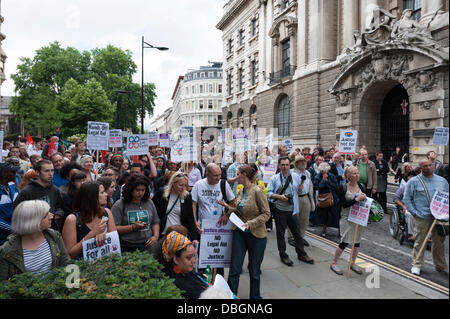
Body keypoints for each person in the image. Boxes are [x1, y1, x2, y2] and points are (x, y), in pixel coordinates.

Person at [217, 165, 270, 299]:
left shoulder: (258, 191)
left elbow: (266, 214)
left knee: (254, 271)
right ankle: (230, 297)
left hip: (257, 236)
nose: (236, 177)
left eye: (238, 174)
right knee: (234, 269)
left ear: (244, 175)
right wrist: (227, 207)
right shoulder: (241, 191)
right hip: (239, 233)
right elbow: (240, 211)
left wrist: (251, 224)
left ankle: (255, 297)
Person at [0, 200, 71, 281]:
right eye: (46, 214)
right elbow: (3, 286)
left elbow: (67, 263)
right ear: (32, 220)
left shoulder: (54, 236)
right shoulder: (7, 251)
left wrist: (73, 287)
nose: (51, 216)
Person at [403, 159, 449, 276]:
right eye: (425, 166)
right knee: (420, 241)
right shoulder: (413, 182)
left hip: (439, 218)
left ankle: (440, 265)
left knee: (439, 242)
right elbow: (407, 199)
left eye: (430, 165)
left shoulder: (442, 181)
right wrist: (414, 213)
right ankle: (417, 264)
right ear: (421, 168)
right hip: (422, 216)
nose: (428, 167)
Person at [267, 156, 314, 266]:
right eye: (282, 165)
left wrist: (300, 189)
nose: (285, 167)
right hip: (280, 210)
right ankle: (283, 255)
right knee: (281, 234)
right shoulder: (274, 178)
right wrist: (279, 196)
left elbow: (297, 191)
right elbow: (268, 193)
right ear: (279, 166)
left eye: (287, 165)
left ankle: (301, 254)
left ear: (289, 166)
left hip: (293, 210)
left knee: (297, 234)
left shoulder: (296, 177)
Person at [191, 163, 236, 277]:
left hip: (220, 228)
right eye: (215, 175)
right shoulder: (199, 185)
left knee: (218, 258)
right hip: (204, 228)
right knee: (204, 258)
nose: (218, 178)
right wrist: (195, 221)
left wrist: (226, 215)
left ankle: (217, 282)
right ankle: (204, 282)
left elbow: (233, 202)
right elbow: (193, 204)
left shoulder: (223, 184)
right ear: (207, 174)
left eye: (220, 174)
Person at [62, 181, 116, 259]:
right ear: (92, 197)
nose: (106, 194)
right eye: (102, 192)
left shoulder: (107, 212)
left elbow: (114, 242)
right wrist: (92, 234)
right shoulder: (72, 219)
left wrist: (105, 234)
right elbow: (70, 254)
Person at [330, 166, 367, 276]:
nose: (357, 175)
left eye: (357, 172)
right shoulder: (342, 188)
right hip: (347, 216)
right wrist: (356, 199)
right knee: (345, 241)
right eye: (354, 173)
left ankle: (352, 263)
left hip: (359, 217)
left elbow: (365, 203)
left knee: (357, 242)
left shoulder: (362, 186)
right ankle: (334, 263)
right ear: (348, 176)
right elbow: (342, 205)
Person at [14, 160, 68, 232]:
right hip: (32, 232)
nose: (50, 174)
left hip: (51, 231)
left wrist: (57, 214)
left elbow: (59, 207)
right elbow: (18, 214)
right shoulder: (26, 192)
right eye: (46, 171)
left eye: (52, 170)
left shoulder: (55, 190)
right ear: (37, 173)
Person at [111, 175, 160, 253]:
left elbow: (155, 222)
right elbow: (113, 228)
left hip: (147, 245)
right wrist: (133, 227)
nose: (140, 193)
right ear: (130, 189)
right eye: (137, 190)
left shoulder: (149, 202)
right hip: (127, 246)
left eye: (143, 190)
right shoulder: (120, 204)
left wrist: (155, 236)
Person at [152, 171, 198, 241]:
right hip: (163, 234)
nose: (183, 188)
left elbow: (190, 218)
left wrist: (194, 238)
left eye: (185, 185)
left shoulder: (187, 196)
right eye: (181, 185)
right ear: (173, 183)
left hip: (180, 235)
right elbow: (153, 214)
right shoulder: (162, 193)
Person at [161, 231, 209, 299]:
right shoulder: (174, 284)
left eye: (194, 256)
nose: (194, 261)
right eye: (189, 257)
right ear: (176, 259)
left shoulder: (187, 271)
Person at [288, 155, 315, 247]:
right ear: (296, 163)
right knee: (294, 219)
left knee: (304, 219)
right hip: (296, 197)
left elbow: (310, 185)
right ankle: (291, 237)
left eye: (304, 161)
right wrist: (296, 189)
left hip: (306, 197)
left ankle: (301, 237)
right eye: (301, 161)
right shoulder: (291, 172)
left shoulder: (307, 173)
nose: (304, 163)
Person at [313, 162, 340, 237]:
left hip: (332, 197)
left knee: (334, 214)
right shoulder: (317, 176)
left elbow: (335, 187)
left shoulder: (331, 176)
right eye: (322, 171)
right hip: (323, 198)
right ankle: (324, 230)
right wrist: (323, 180)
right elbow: (318, 187)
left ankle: (338, 230)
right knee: (324, 215)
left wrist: (327, 182)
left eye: (325, 171)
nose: (323, 172)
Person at [0, 162, 20, 245]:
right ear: (4, 174)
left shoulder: (13, 187)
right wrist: (12, 229)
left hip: (15, 237)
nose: (15, 174)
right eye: (12, 172)